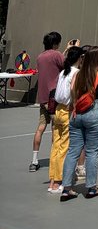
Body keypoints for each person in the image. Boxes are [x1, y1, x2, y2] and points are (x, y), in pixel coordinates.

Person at [60, 45, 98, 200]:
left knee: (72, 151)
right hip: (94, 112)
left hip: (77, 114)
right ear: (97, 59)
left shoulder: (77, 74)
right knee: (92, 151)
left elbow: (73, 94)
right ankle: (91, 187)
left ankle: (66, 188)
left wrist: (75, 109)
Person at [47, 44, 84, 193]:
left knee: (56, 146)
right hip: (68, 111)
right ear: (79, 59)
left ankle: (52, 180)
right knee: (65, 147)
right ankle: (59, 181)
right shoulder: (77, 73)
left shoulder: (63, 72)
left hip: (58, 110)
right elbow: (73, 92)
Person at [30, 32, 64, 171]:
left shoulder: (40, 57)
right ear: (56, 43)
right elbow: (66, 65)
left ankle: (34, 160)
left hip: (43, 97)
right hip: (54, 97)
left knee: (40, 128)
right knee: (56, 129)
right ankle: (55, 160)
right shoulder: (56, 54)